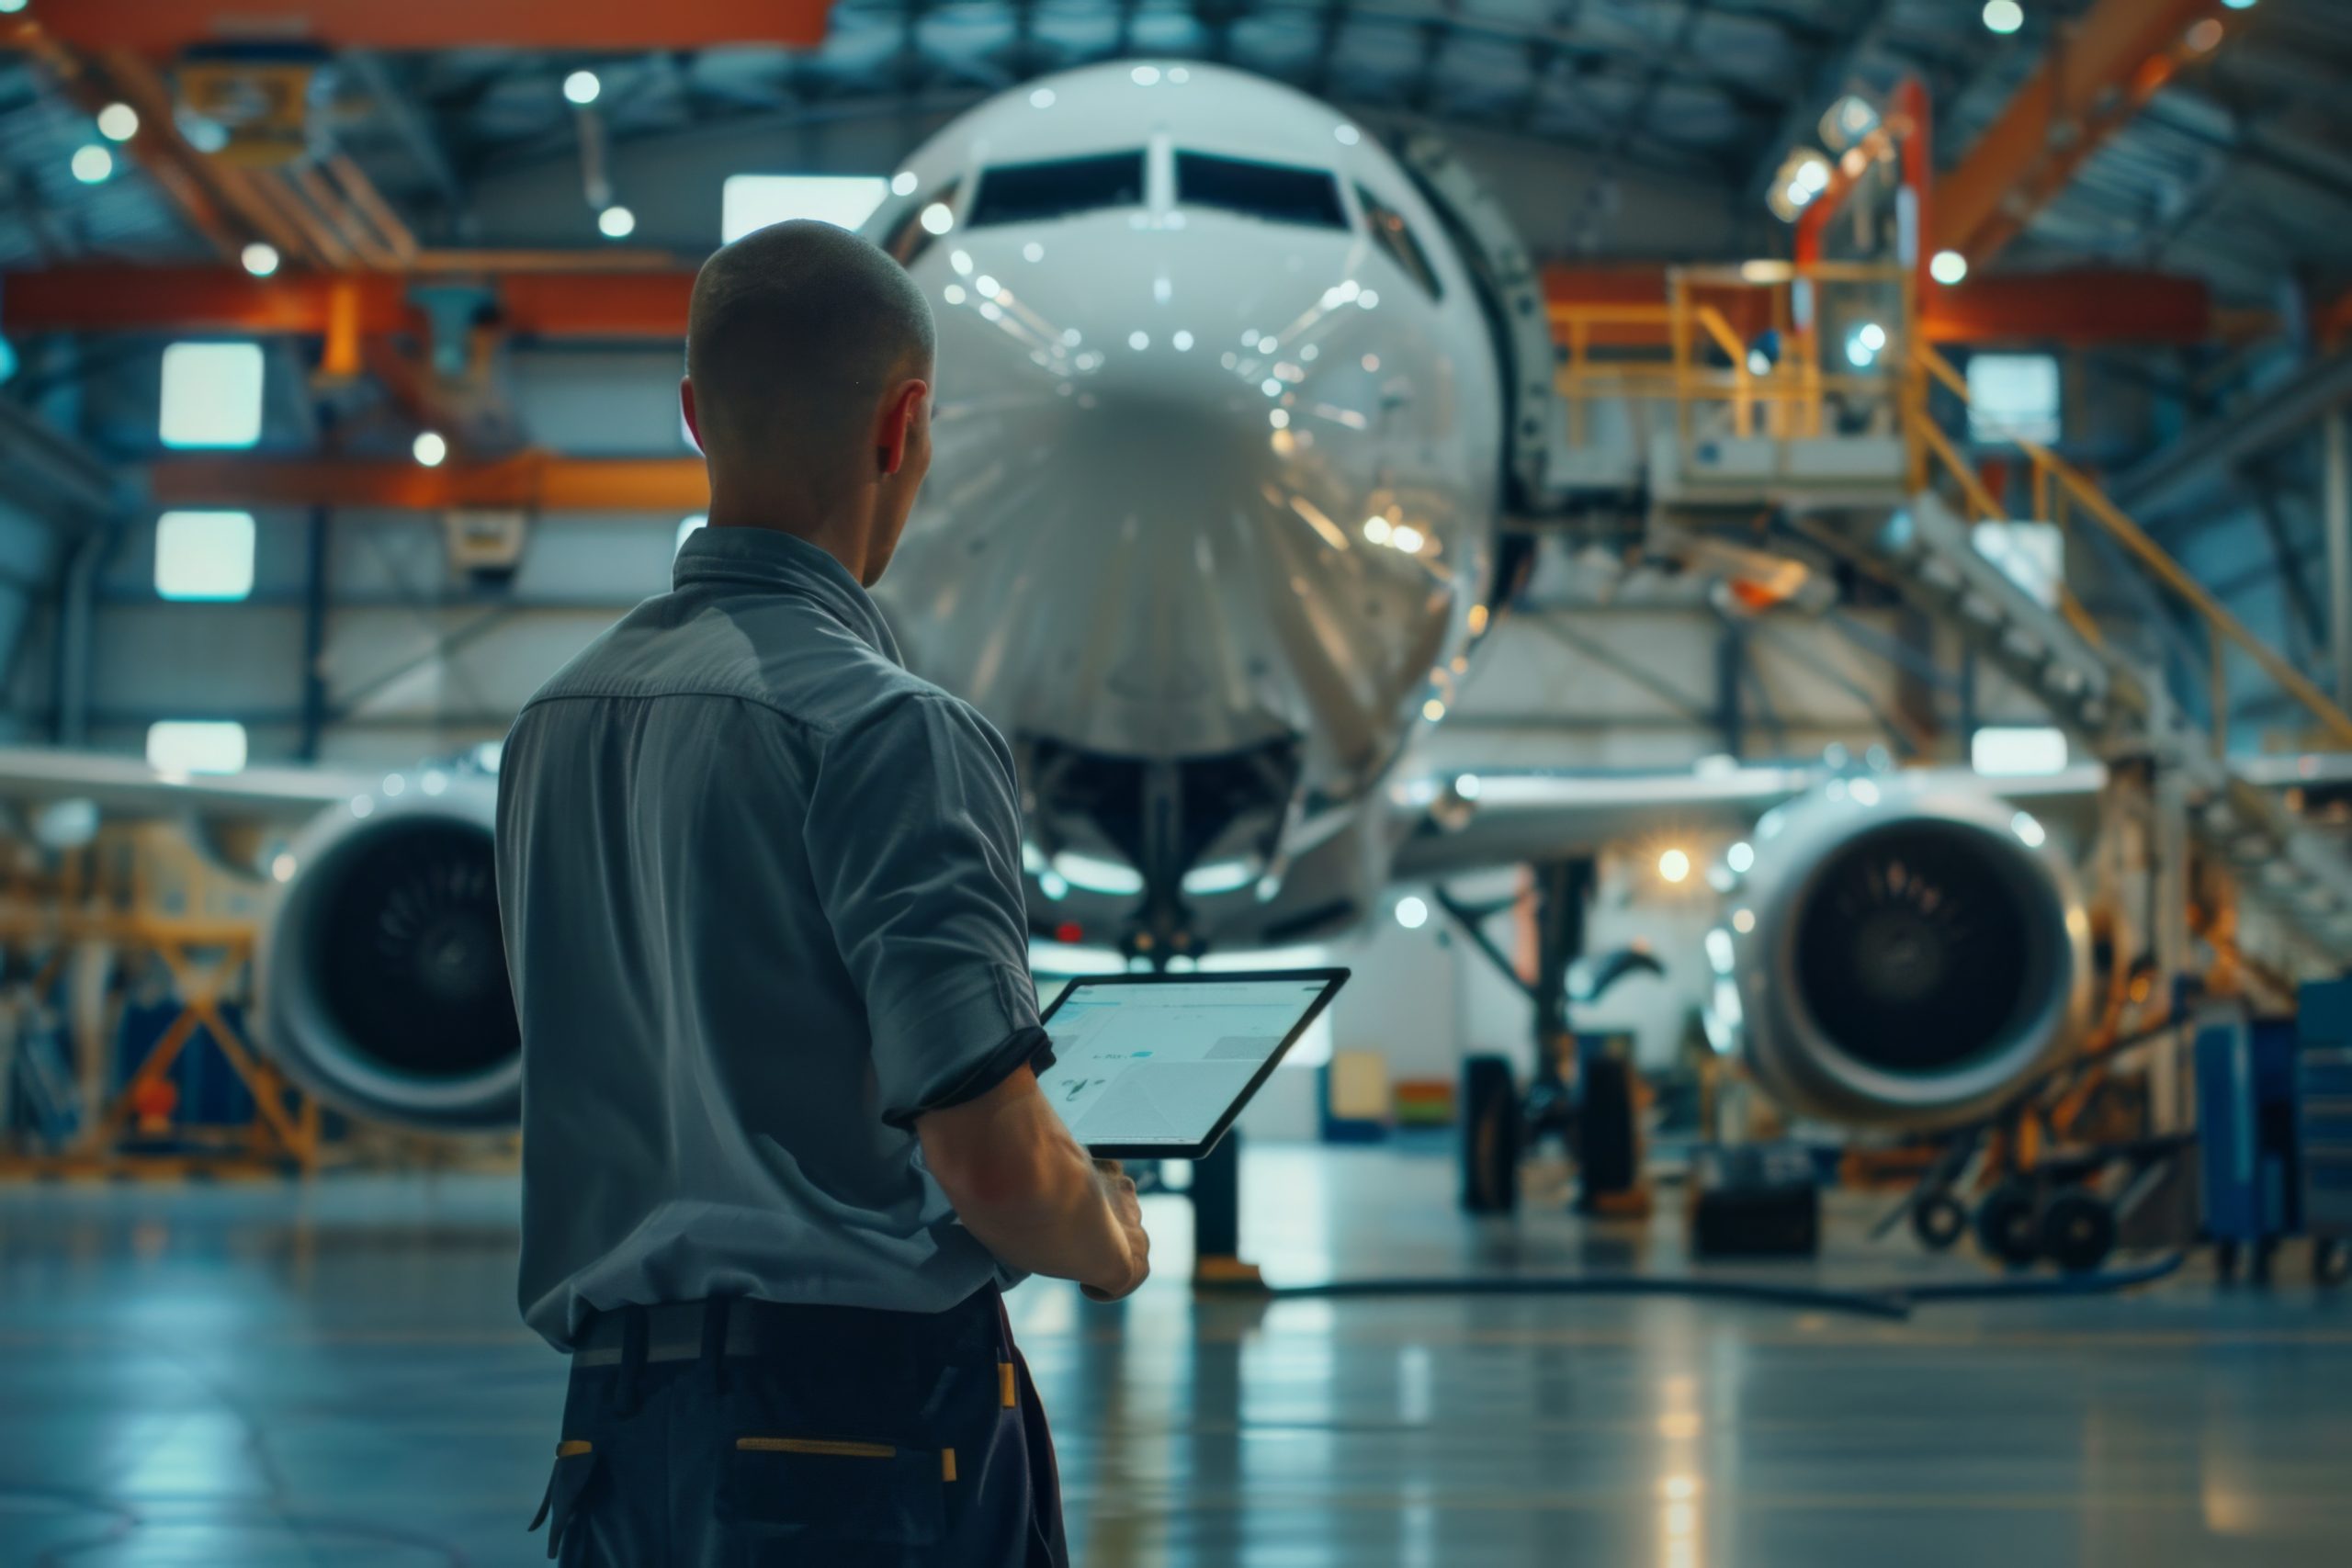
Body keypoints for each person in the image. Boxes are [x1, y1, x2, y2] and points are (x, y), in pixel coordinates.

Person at [494, 220, 1149, 1565]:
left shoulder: (553, 724)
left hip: (614, 1441)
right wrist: (1107, 1229)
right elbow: (992, 1164)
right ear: (905, 424)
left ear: (693, 414)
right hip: (855, 1440)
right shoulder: (890, 731)